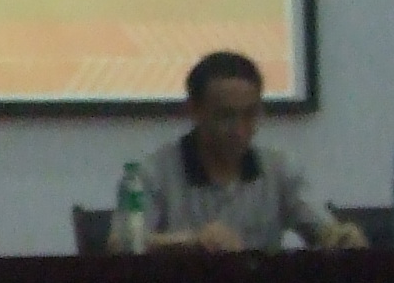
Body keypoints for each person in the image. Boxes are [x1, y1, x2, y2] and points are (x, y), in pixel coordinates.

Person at [138, 51, 366, 251]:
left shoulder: (278, 169)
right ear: (194, 111)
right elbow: (126, 243)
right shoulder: (154, 173)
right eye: (225, 116)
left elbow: (323, 230)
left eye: (249, 115)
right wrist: (192, 242)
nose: (239, 130)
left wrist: (341, 237)